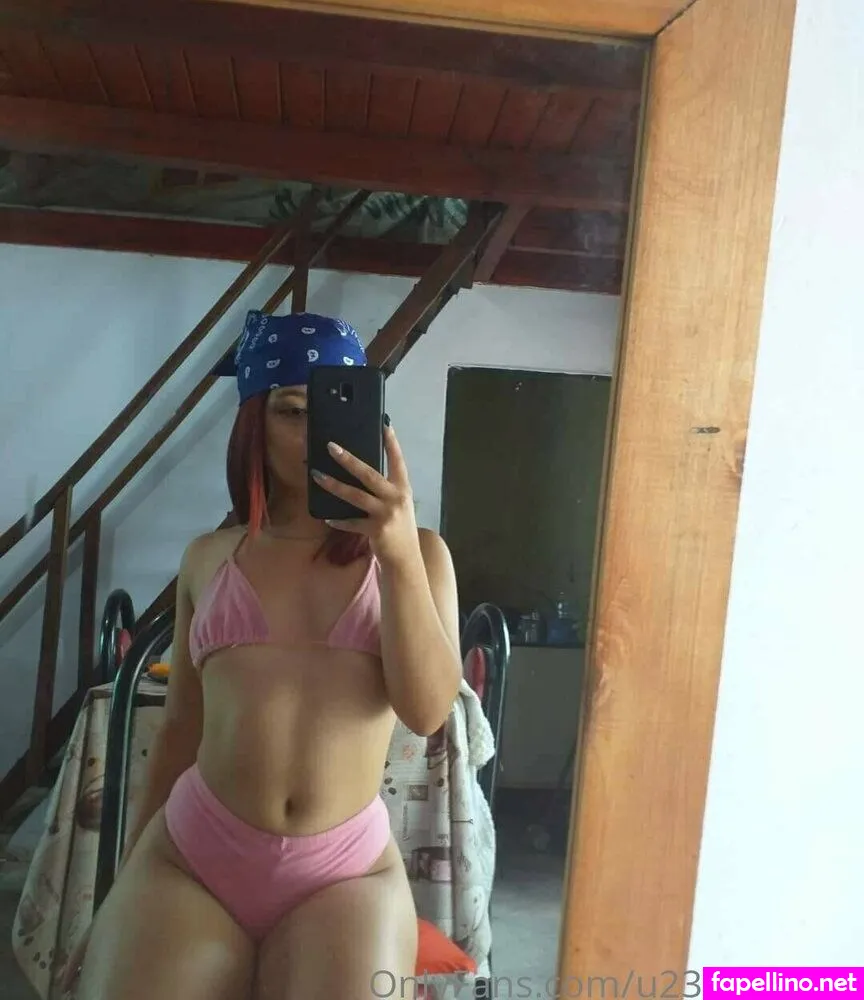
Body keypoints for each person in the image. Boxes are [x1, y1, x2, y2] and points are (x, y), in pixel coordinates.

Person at [63, 311, 464, 1000]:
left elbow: (427, 713)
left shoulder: (420, 553)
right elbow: (180, 730)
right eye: (292, 410)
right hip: (192, 855)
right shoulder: (208, 558)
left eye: (332, 409)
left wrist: (396, 554)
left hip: (344, 870)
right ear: (253, 421)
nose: (314, 432)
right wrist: (122, 884)